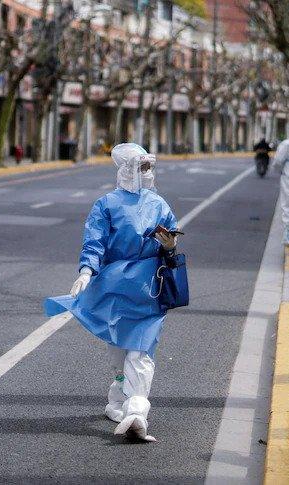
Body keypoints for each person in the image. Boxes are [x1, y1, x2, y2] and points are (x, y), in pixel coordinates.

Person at [44, 143, 178, 442]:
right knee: (118, 343)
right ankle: (117, 399)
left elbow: (172, 240)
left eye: (149, 167)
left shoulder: (159, 204)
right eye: (141, 167)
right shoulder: (106, 204)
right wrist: (86, 271)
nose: (147, 172)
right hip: (115, 285)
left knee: (141, 349)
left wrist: (169, 246)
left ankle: (136, 410)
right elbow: (95, 242)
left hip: (149, 289)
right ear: (127, 169)